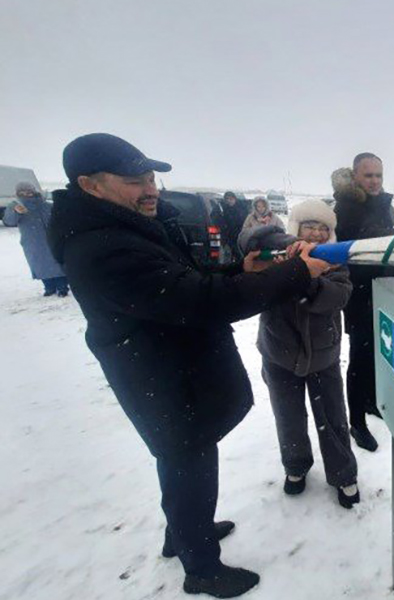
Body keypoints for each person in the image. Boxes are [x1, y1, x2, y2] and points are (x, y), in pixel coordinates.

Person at [47, 133, 331, 598]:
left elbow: (185, 281)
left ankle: (182, 533)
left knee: (183, 460)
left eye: (152, 177)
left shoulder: (125, 228)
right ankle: (200, 567)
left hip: (169, 370)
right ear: (90, 185)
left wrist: (245, 271)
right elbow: (200, 301)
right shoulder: (104, 247)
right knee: (188, 460)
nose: (151, 188)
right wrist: (295, 273)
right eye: (134, 180)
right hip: (161, 377)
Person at [252, 199, 360, 508]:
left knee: (333, 417)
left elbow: (337, 296)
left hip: (323, 355)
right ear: (295, 229)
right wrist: (289, 260)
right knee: (288, 417)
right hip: (278, 352)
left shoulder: (336, 263)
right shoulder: (276, 256)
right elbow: (248, 241)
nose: (315, 233)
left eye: (322, 228)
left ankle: (343, 474)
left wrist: (308, 277)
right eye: (308, 226)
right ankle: (296, 467)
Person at [333, 153, 394, 452]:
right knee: (359, 358)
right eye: (368, 175)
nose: (375, 181)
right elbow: (364, 241)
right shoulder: (347, 206)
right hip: (361, 293)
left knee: (379, 351)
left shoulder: (383, 205)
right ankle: (357, 422)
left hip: (387, 288)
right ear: (356, 176)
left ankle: (372, 401)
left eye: (379, 175)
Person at [2, 182, 69, 297]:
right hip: (33, 242)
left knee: (56, 263)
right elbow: (9, 222)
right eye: (22, 192)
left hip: (52, 239)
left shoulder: (47, 205)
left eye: (28, 191)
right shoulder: (16, 206)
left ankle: (62, 287)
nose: (26, 194)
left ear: (34, 191)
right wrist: (15, 211)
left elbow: (61, 220)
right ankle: (49, 287)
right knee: (40, 265)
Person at [220, 191, 250, 255]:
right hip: (229, 235)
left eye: (231, 199)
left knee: (240, 253)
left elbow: (245, 222)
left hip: (240, 235)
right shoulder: (224, 209)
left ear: (235, 199)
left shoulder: (242, 208)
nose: (229, 201)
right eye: (227, 199)